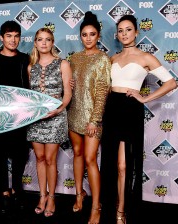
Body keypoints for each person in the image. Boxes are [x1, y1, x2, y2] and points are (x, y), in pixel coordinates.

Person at [99, 15, 177, 224]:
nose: (124, 34)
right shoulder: (112, 59)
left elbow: (171, 83)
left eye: (128, 29)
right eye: (121, 30)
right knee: (110, 163)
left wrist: (144, 99)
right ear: (117, 34)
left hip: (130, 109)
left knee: (125, 165)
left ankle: (122, 211)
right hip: (112, 109)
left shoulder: (145, 57)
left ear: (136, 32)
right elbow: (102, 86)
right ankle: (110, 205)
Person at [67, 11, 111, 224]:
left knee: (90, 159)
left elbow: (103, 90)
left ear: (98, 36)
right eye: (84, 34)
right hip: (73, 113)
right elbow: (69, 84)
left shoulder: (103, 59)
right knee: (77, 153)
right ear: (80, 36)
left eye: (92, 34)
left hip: (92, 118)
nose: (88, 38)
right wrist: (69, 84)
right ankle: (79, 194)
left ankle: (96, 205)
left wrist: (95, 119)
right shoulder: (73, 58)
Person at [27, 27, 72, 217]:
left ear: (52, 43)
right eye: (40, 39)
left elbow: (68, 94)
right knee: (40, 159)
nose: (43, 43)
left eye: (47, 39)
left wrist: (58, 110)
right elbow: (30, 95)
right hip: (36, 119)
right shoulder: (31, 67)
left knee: (51, 159)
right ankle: (42, 195)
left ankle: (52, 197)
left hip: (56, 118)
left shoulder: (63, 64)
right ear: (35, 43)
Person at [0, 20, 30, 213]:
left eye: (16, 36)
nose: (13, 40)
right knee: (0, 155)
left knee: (20, 154)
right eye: (9, 36)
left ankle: (17, 189)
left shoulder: (25, 59)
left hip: (21, 115)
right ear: (2, 38)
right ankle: (3, 192)